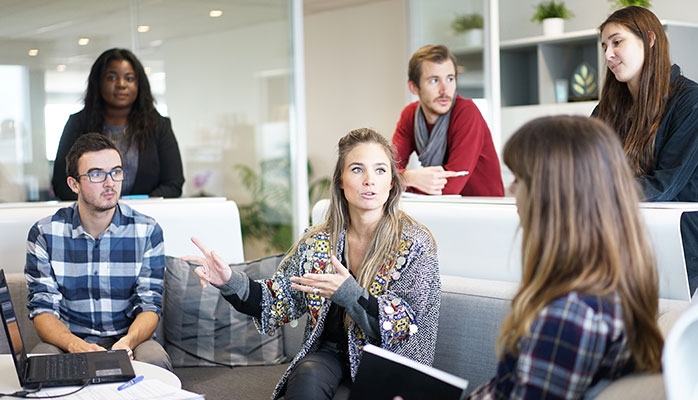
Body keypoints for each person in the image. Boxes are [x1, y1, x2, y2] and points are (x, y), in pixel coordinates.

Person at [182, 128, 441, 400]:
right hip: (329, 355)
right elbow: (277, 300)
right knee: (307, 373)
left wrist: (351, 294)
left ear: (391, 182)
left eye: (379, 170)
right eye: (356, 169)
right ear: (340, 181)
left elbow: (404, 325)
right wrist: (228, 281)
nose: (369, 180)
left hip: (388, 361)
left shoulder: (415, 244)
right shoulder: (318, 242)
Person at [468, 116, 664, 399]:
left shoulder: (570, 316)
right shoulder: (609, 288)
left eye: (519, 178)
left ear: (552, 196)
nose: (511, 189)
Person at [26, 132, 172, 371]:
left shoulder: (147, 231)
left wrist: (127, 342)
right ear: (74, 184)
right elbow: (42, 310)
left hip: (130, 340)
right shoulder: (44, 233)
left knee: (154, 360)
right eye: (96, 174)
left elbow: (150, 305)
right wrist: (76, 345)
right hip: (68, 341)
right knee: (39, 363)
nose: (110, 183)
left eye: (116, 172)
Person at [593, 6, 698, 295]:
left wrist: (593, 190)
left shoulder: (690, 102)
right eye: (604, 46)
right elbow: (583, 165)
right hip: (621, 237)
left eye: (617, 42)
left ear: (650, 39)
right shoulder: (608, 109)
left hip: (679, 245)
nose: (608, 55)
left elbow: (664, 185)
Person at [52, 47, 184, 201]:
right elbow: (61, 184)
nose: (121, 84)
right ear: (98, 82)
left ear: (139, 85)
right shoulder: (78, 124)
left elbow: (173, 184)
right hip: (92, 219)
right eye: (112, 78)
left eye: (129, 78)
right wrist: (102, 204)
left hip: (145, 217)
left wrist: (135, 206)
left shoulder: (159, 126)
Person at [391, 44, 504, 196]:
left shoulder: (466, 113)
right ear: (414, 87)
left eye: (450, 79)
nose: (445, 90)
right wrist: (409, 177)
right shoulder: (409, 115)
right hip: (442, 210)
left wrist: (402, 180)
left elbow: (450, 187)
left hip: (483, 211)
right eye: (434, 81)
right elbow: (386, 171)